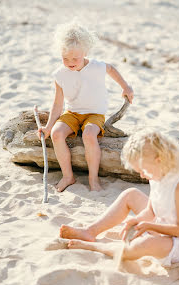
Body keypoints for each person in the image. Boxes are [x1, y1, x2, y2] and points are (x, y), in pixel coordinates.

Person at [59, 130, 179, 266]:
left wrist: (149, 226)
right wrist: (137, 220)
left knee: (146, 244)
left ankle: (95, 247)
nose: (142, 175)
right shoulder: (158, 172)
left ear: (159, 159)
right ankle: (90, 231)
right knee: (130, 194)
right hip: (163, 225)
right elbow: (151, 210)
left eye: (143, 170)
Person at [38, 22, 133, 192]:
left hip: (94, 113)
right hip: (72, 112)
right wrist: (48, 126)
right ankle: (68, 176)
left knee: (89, 135)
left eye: (75, 58)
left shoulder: (96, 66)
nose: (70, 62)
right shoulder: (59, 74)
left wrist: (125, 86)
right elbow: (58, 103)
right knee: (56, 134)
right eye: (65, 58)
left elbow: (111, 69)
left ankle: (93, 178)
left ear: (85, 52)